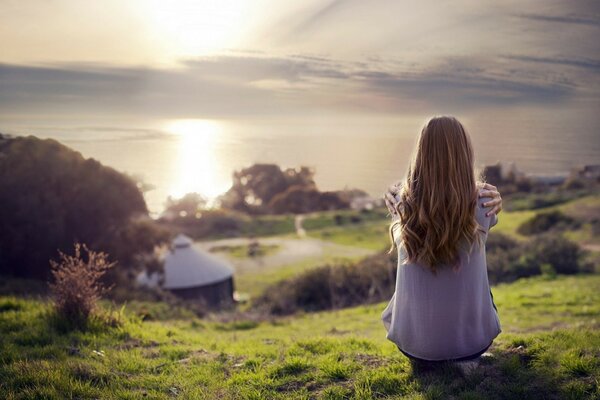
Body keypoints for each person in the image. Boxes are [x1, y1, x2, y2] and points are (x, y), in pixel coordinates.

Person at [381, 116, 503, 372]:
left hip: (413, 347)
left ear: (420, 153)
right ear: (464, 153)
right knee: (484, 289)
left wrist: (394, 192)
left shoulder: (401, 204)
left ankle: (427, 343)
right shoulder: (484, 203)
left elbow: (406, 193)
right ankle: (464, 354)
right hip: (471, 346)